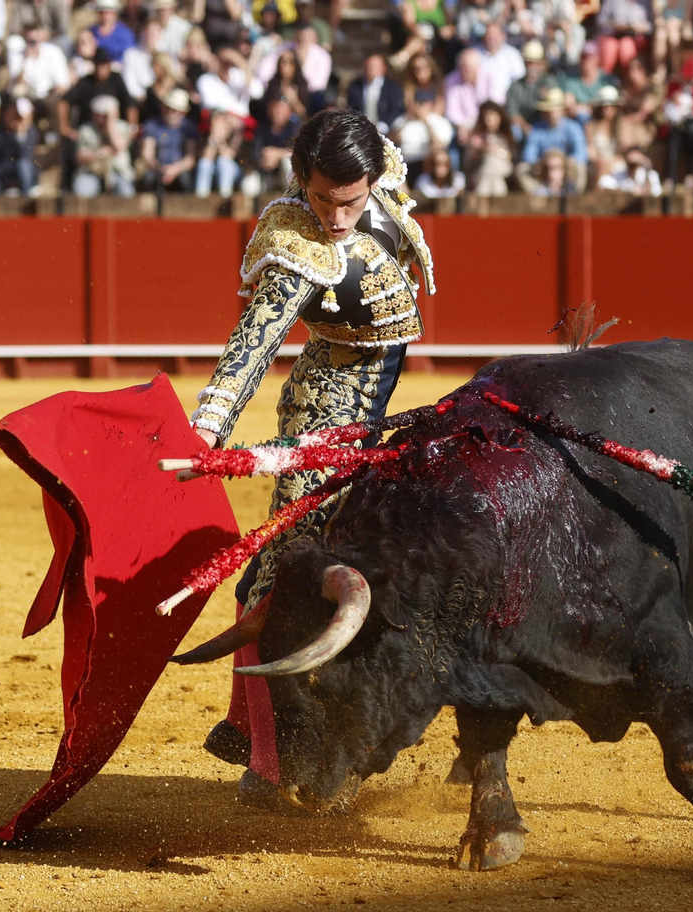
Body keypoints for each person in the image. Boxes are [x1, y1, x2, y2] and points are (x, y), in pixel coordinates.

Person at [191, 109, 436, 806]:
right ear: (303, 182)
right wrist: (207, 431)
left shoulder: (377, 167)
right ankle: (264, 763)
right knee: (288, 576)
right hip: (328, 419)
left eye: (351, 201)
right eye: (323, 198)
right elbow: (251, 348)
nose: (335, 215)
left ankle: (256, 731)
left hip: (368, 412)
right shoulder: (298, 248)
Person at [520, 87, 588, 191]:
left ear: (562, 110)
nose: (551, 112)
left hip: (566, 168)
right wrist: (541, 163)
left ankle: (575, 198)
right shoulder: (536, 129)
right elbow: (528, 154)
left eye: (553, 108)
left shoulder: (573, 127)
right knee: (521, 170)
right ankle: (539, 196)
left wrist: (568, 161)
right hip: (543, 168)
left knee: (580, 168)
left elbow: (581, 153)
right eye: (548, 109)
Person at [137, 87, 198, 191]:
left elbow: (190, 159)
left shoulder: (188, 128)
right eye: (167, 107)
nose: (169, 112)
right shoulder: (152, 125)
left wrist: (174, 170)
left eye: (174, 109)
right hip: (157, 169)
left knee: (186, 180)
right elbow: (147, 154)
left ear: (183, 113)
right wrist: (160, 169)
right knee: (148, 178)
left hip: (180, 170)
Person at [0, 98, 40, 194]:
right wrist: (7, 180)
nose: (16, 120)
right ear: (6, 113)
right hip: (2, 177)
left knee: (23, 165)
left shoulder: (31, 132)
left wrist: (20, 135)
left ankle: (27, 200)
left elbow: (26, 158)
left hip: (23, 179)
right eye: (14, 115)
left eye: (20, 117)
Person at [347, 53, 405, 133]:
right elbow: (352, 109)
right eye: (368, 65)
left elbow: (395, 110)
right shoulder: (355, 87)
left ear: (383, 68)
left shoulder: (392, 87)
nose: (371, 68)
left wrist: (384, 125)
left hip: (387, 130)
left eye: (375, 65)